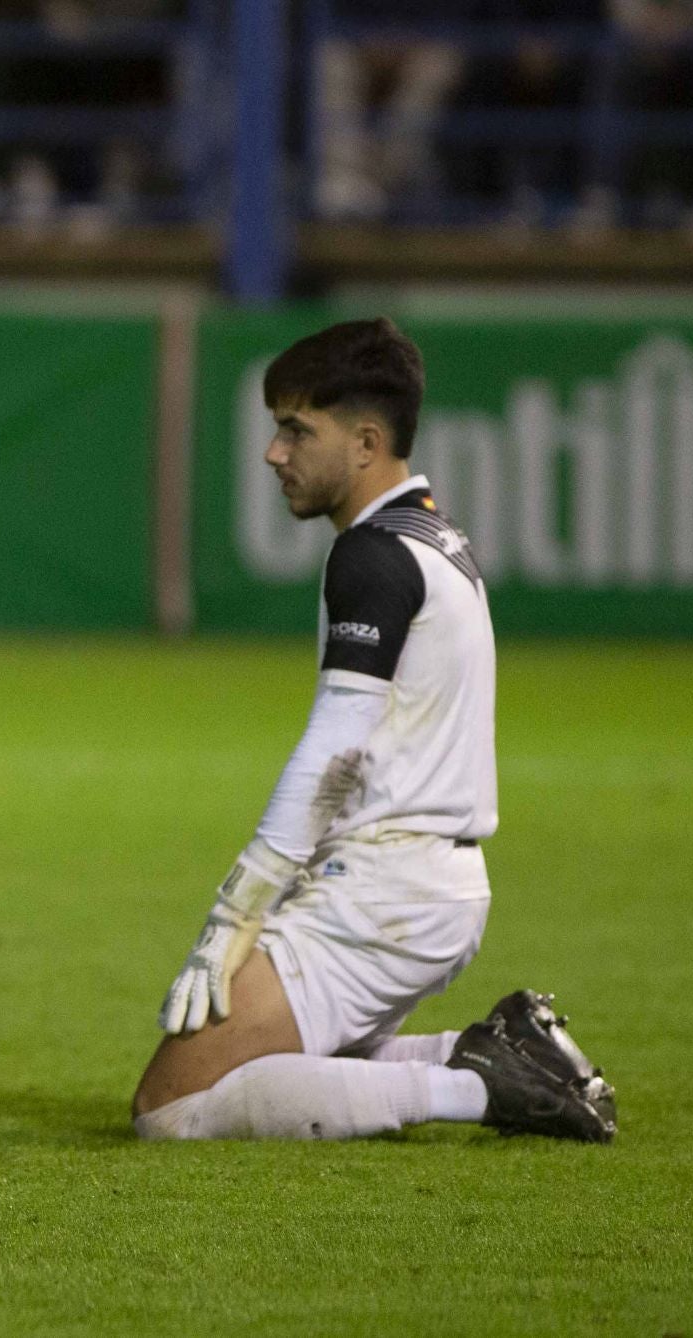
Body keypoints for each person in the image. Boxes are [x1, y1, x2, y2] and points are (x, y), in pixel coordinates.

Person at [130, 318, 617, 1144]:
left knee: (171, 1109)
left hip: (384, 895)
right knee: (272, 1068)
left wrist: (235, 914)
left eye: (295, 431)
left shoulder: (372, 555)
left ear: (364, 442)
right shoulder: (435, 538)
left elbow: (337, 743)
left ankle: (482, 1090)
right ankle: (499, 1053)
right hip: (423, 884)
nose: (273, 453)